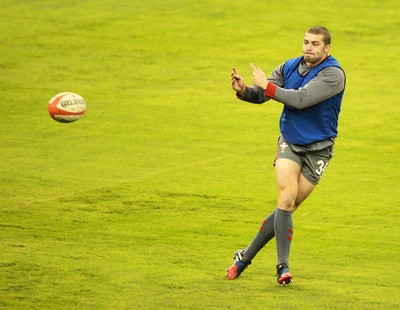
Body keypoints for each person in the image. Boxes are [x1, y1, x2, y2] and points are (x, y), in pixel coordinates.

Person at [226, 26, 346, 285]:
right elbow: (263, 95)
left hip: (319, 150)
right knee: (287, 196)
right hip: (290, 143)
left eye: (315, 44)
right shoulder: (289, 66)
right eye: (305, 42)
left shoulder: (333, 74)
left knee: (287, 207)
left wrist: (266, 86)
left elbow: (301, 99)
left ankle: (244, 256)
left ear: (327, 49)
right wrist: (244, 90)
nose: (308, 47)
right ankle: (283, 267)